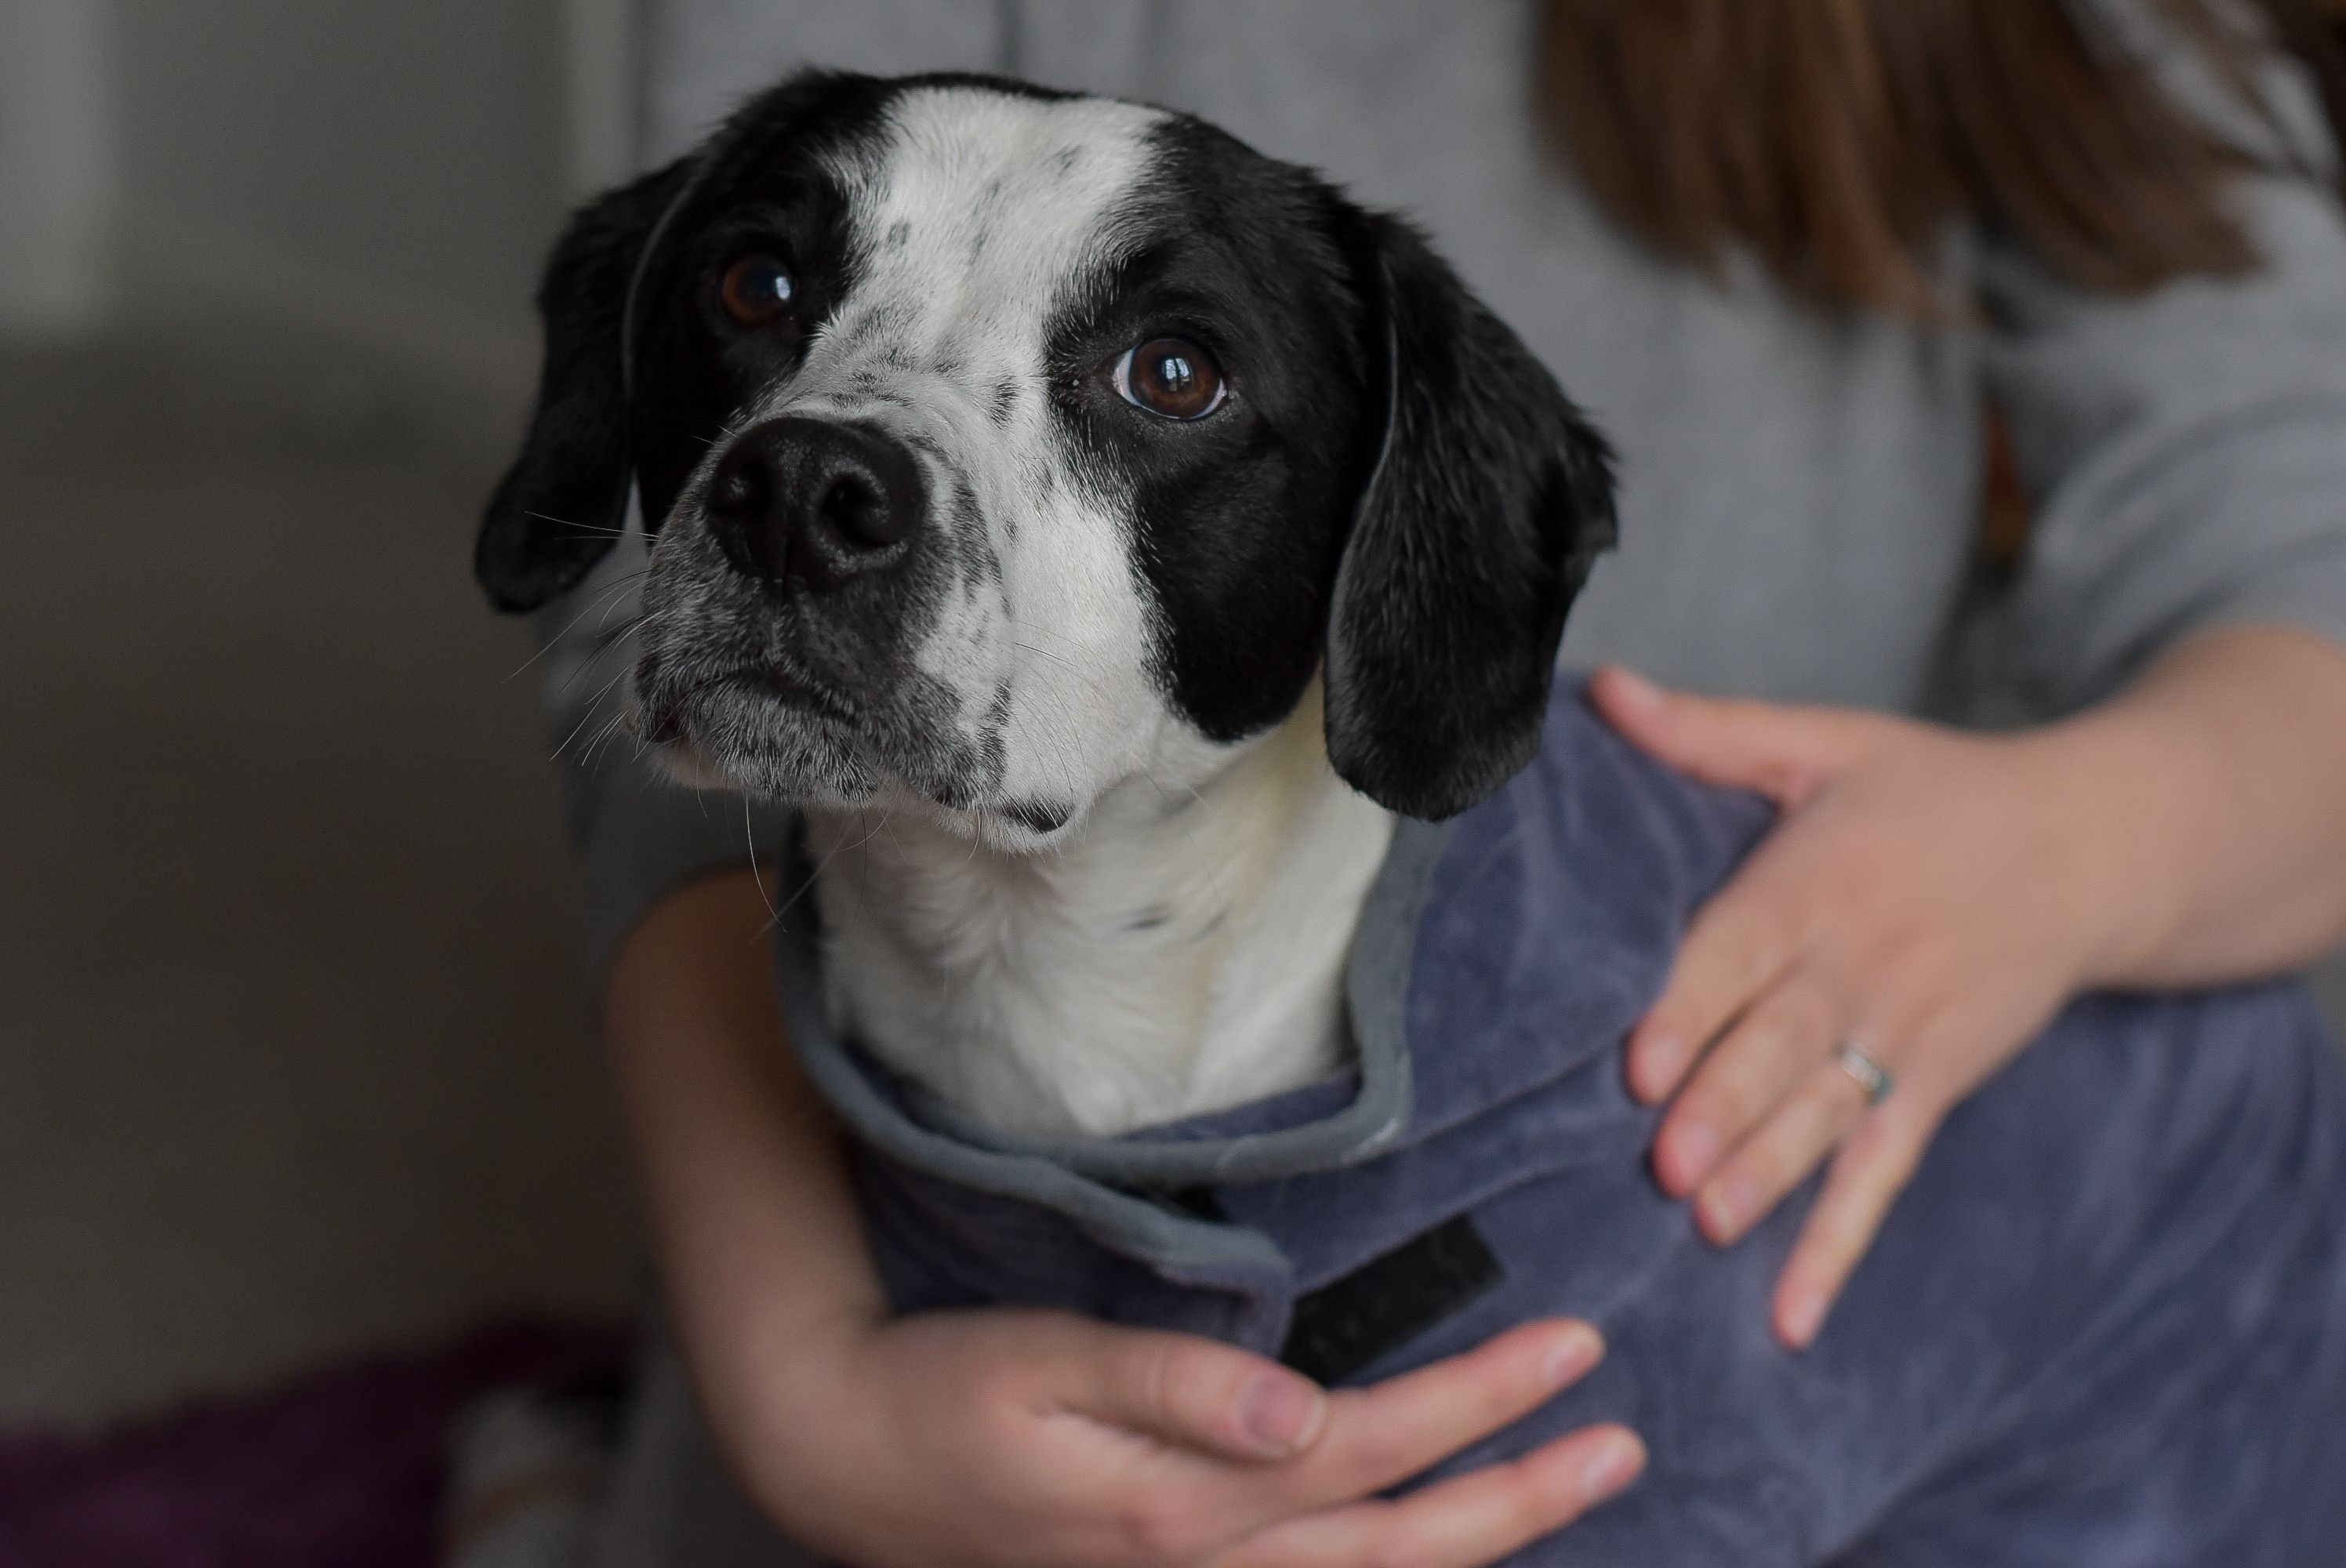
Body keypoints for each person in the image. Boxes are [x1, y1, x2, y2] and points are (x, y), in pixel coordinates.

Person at [526, 2, 2346, 1563]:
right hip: (828, 1270)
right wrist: (804, 1382)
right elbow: (628, 569)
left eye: (1166, 370)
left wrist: (2042, 858)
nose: (811, 468)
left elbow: (2299, 538)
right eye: (773, 289)